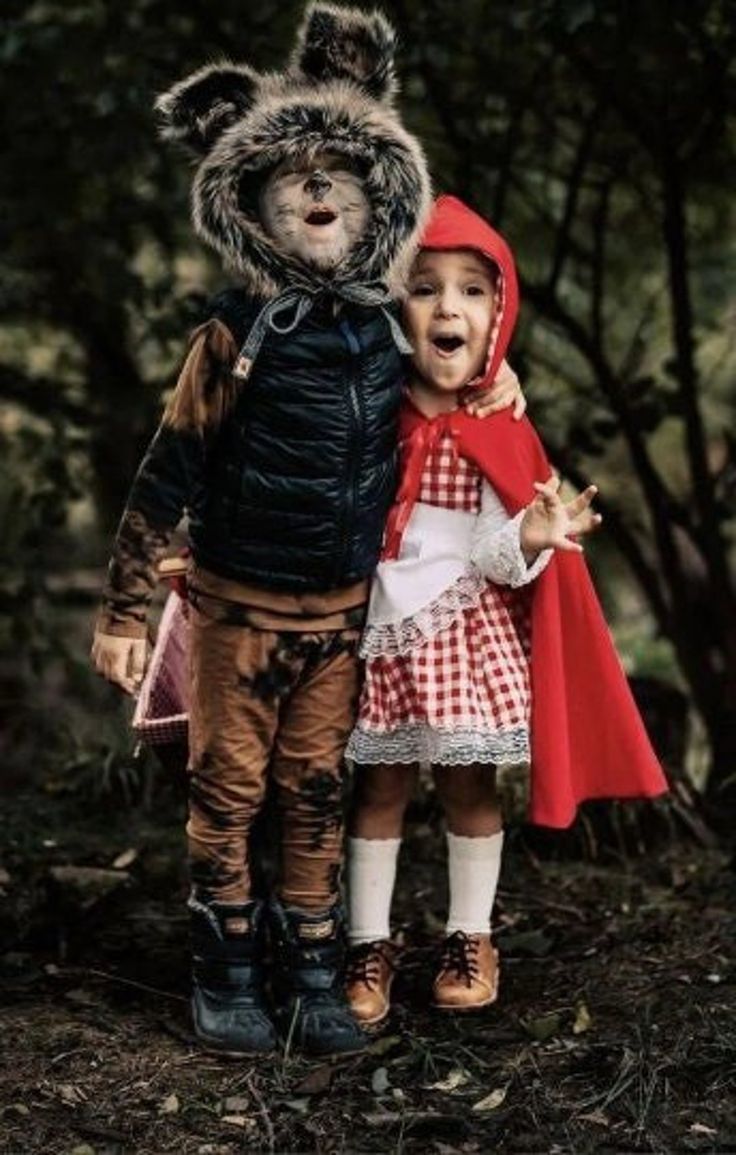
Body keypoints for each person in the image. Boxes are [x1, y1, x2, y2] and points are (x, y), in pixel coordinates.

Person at [90, 8, 523, 1059]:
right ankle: (225, 964)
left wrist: (501, 387)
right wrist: (124, 608)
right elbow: (169, 466)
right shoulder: (233, 335)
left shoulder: (385, 331)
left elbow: (449, 394)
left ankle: (317, 963)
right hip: (241, 605)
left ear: (380, 196)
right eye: (292, 177)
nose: (319, 191)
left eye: (341, 172)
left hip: (339, 615)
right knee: (228, 787)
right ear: (252, 204)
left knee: (317, 789)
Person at [344, 194, 668, 1027]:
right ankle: (367, 942)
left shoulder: (501, 425)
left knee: (468, 787)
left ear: (500, 314)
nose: (449, 306)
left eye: (473, 291)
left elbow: (497, 554)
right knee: (376, 788)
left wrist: (532, 528)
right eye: (424, 288)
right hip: (380, 625)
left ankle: (469, 935)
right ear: (394, 307)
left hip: (459, 632)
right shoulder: (369, 410)